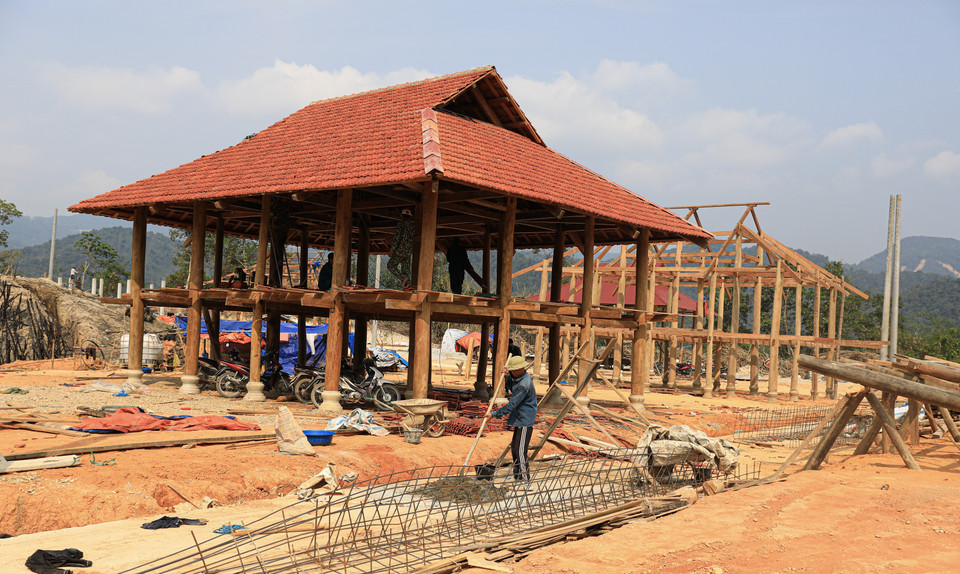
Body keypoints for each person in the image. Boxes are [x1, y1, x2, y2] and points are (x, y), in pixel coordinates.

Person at [488, 354, 538, 488]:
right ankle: (518, 477)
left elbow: (512, 404)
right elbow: (511, 386)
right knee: (515, 448)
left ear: (521, 369)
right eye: (512, 371)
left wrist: (494, 414)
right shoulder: (517, 377)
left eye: (515, 370)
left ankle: (526, 481)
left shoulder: (524, 384)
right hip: (519, 416)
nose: (514, 373)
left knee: (521, 450)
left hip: (525, 418)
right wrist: (506, 376)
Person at [387, 209, 415, 287]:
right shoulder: (412, 227)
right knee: (406, 270)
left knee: (391, 265)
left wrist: (392, 250)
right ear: (410, 217)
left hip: (400, 251)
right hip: (408, 252)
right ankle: (407, 287)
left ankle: (403, 278)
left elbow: (397, 238)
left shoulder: (400, 225)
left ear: (401, 216)